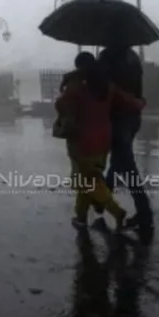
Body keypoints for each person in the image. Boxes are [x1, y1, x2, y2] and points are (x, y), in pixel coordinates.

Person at [56, 52, 145, 231]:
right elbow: (127, 101)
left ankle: (116, 211)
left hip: (81, 141)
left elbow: (61, 106)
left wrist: (64, 89)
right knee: (87, 179)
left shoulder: (76, 86)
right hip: (103, 140)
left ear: (79, 67)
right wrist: (140, 102)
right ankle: (80, 218)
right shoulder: (106, 85)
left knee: (86, 181)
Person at [98, 44, 152, 232]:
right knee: (119, 161)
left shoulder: (106, 56)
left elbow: (102, 89)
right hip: (132, 116)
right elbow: (138, 89)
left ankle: (144, 213)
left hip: (116, 116)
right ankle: (101, 201)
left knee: (127, 167)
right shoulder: (133, 57)